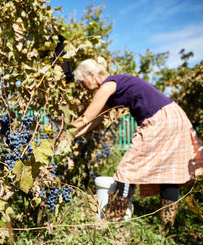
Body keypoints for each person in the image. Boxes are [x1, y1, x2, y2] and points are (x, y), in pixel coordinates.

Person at [71, 57, 203, 231]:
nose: (82, 86)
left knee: (127, 170)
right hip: (172, 115)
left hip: (160, 119)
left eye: (81, 82)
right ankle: (167, 228)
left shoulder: (108, 85)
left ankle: (113, 223)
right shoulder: (113, 86)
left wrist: (64, 134)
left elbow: (86, 118)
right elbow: (94, 121)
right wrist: (73, 136)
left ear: (91, 74)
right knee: (169, 173)